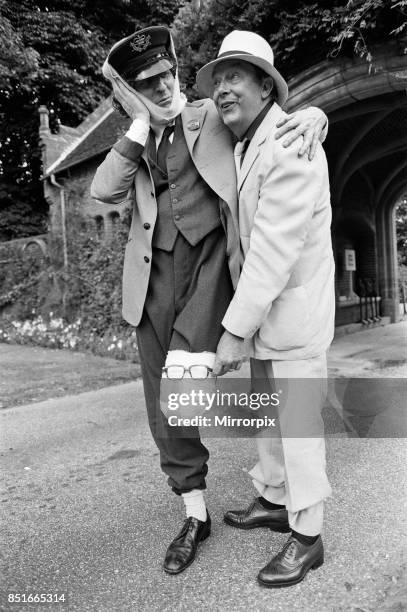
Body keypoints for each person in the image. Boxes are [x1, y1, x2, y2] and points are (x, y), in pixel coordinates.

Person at [91, 25, 328, 576]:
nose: (166, 86)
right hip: (150, 287)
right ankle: (196, 514)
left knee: (274, 404)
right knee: (169, 408)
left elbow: (272, 112)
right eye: (150, 83)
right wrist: (137, 124)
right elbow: (102, 191)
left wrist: (318, 115)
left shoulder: (214, 115)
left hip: (207, 280)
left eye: (169, 74)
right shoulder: (137, 136)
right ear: (132, 92)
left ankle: (306, 530)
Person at [197, 30, 335, 587]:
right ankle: (277, 500)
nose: (224, 89)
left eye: (236, 77)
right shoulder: (244, 141)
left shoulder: (291, 142)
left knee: (298, 425)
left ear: (264, 86)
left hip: (292, 314)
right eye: (218, 79)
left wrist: (233, 331)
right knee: (268, 417)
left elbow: (275, 249)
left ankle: (308, 538)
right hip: (265, 316)